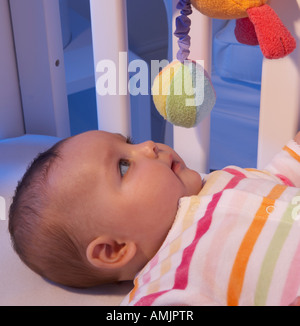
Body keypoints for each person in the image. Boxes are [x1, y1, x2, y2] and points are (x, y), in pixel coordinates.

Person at [8, 130, 300, 306]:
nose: (147, 146)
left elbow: (282, 173)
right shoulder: (167, 284)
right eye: (123, 166)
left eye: (130, 142)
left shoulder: (223, 177)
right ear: (114, 249)